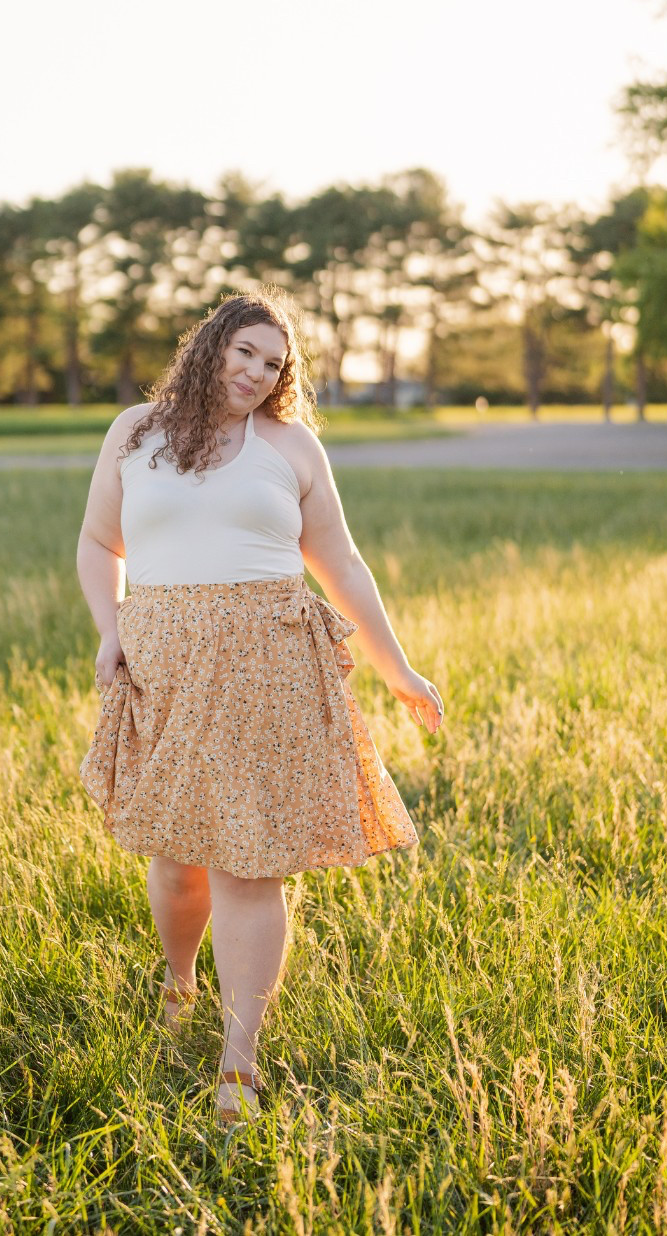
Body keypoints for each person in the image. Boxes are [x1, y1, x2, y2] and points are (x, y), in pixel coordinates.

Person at [76, 288, 443, 1127]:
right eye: (245, 351)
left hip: (271, 670)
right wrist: (110, 629)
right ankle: (178, 982)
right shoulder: (135, 432)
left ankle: (239, 1061)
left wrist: (398, 669)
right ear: (210, 346)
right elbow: (98, 542)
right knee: (178, 860)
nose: (256, 372)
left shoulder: (291, 446)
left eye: (273, 364)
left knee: (249, 864)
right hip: (165, 665)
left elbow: (342, 563)